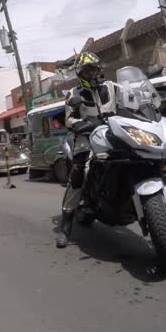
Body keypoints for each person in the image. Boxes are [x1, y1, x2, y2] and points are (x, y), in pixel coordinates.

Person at [56, 51, 109, 248]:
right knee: (80, 173)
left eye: (94, 70)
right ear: (80, 75)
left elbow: (132, 103)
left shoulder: (111, 88)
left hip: (114, 134)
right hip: (87, 138)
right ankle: (65, 227)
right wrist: (82, 123)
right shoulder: (73, 94)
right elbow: (69, 119)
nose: (92, 74)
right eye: (87, 72)